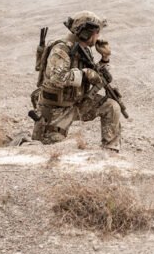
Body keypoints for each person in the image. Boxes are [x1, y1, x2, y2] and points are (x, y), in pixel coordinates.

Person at [31, 11, 120, 151]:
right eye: (97, 32)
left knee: (111, 106)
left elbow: (95, 75)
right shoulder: (61, 49)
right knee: (47, 149)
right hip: (56, 110)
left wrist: (105, 58)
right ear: (86, 33)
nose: (98, 36)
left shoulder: (84, 49)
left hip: (77, 103)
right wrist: (84, 73)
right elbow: (56, 78)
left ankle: (110, 153)